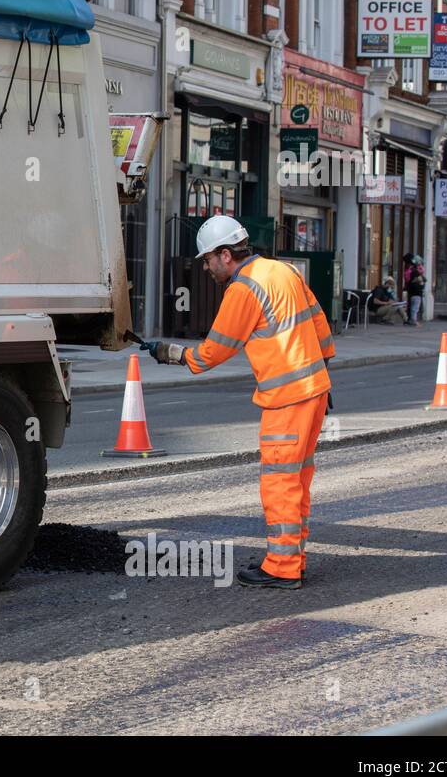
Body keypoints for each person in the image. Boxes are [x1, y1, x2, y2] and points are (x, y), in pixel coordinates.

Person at [143, 215, 334, 589]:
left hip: (287, 398)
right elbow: (318, 323)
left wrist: (174, 354)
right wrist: (324, 375)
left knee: (279, 482)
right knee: (298, 479)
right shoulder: (283, 271)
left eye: (208, 260)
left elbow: (216, 350)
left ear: (226, 255)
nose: (206, 267)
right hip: (313, 392)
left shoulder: (243, 288)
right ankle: (294, 559)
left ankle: (281, 568)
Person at [403, 254, 426, 326]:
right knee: (415, 308)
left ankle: (410, 320)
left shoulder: (408, 270)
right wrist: (421, 283)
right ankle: (413, 320)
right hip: (416, 292)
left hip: (411, 291)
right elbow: (423, 279)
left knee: (411, 306)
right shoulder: (415, 271)